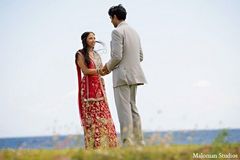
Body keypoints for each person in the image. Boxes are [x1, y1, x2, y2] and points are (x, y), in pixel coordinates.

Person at [101, 4, 147, 146]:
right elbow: (140, 56)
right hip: (135, 75)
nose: (111, 21)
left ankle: (127, 142)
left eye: (110, 18)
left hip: (122, 77)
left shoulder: (117, 32)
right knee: (133, 108)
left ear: (115, 17)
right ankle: (139, 141)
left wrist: (106, 68)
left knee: (124, 111)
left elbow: (116, 56)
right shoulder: (135, 32)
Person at [75, 31, 118, 149]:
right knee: (92, 117)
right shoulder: (80, 54)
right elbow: (85, 71)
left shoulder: (96, 55)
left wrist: (110, 68)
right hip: (89, 90)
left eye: (94, 38)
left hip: (99, 88)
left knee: (103, 115)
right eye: (90, 38)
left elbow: (102, 71)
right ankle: (94, 146)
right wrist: (101, 70)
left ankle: (109, 145)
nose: (93, 40)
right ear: (85, 40)